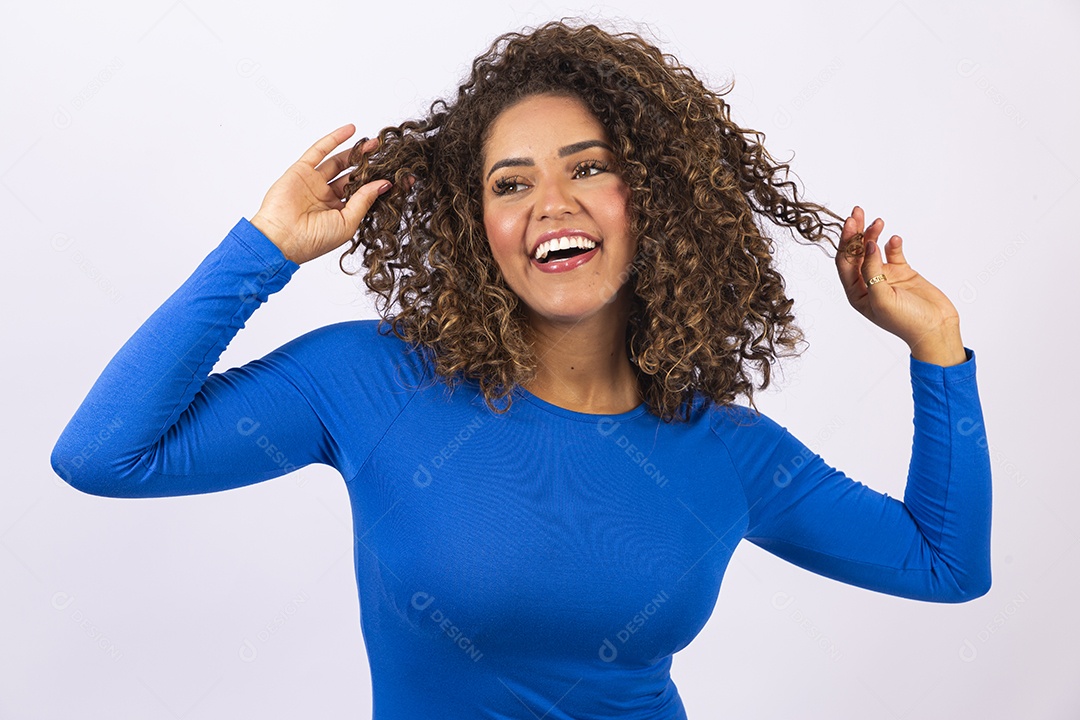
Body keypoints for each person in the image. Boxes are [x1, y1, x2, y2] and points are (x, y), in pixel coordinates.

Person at [50, 20, 991, 720]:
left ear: (650, 198)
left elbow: (945, 567)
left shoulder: (724, 450)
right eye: (510, 183)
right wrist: (262, 250)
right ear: (476, 227)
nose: (550, 203)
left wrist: (937, 343)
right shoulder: (369, 382)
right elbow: (103, 455)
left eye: (588, 169)